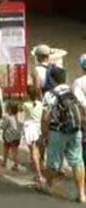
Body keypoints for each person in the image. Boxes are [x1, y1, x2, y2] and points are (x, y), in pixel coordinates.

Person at [40, 66, 86, 203]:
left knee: (53, 162)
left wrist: (45, 134)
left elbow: (45, 117)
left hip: (57, 131)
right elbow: (83, 109)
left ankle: (48, 185)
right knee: (77, 161)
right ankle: (82, 194)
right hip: (75, 130)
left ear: (52, 79)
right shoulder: (74, 91)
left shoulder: (50, 94)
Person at [23, 85, 46, 186]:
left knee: (33, 151)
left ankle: (38, 174)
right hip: (38, 127)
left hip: (29, 128)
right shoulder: (41, 104)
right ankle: (39, 170)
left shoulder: (26, 105)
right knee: (38, 150)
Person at [0, 102, 22, 171]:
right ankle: (16, 164)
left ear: (9, 109)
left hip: (9, 136)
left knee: (6, 149)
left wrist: (1, 125)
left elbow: (3, 126)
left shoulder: (8, 117)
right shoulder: (17, 117)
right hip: (17, 136)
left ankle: (4, 162)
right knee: (15, 151)